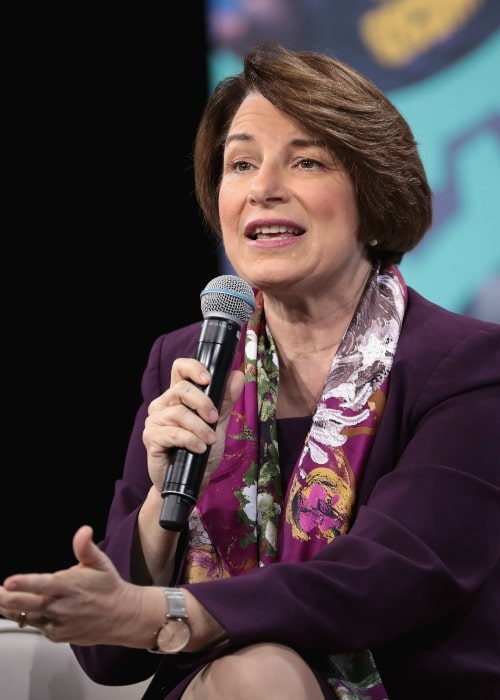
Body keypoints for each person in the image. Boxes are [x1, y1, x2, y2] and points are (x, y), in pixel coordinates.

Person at [1, 43, 499, 700]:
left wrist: (164, 614)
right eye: (241, 163)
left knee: (263, 669)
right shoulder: (185, 361)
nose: (263, 188)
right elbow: (107, 657)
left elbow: (389, 575)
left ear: (372, 194)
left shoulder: (465, 366)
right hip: (214, 687)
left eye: (306, 161)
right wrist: (162, 503)